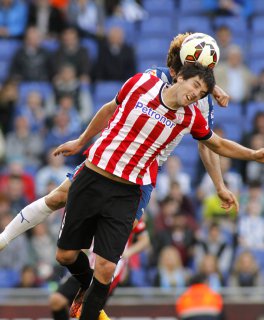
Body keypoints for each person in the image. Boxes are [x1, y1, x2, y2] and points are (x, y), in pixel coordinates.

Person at [54, 64, 264, 320]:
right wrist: (81, 141)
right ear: (179, 77)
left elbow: (216, 145)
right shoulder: (142, 83)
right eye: (195, 85)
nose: (195, 94)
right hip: (93, 177)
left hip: (128, 192)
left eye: (202, 93)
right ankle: (85, 291)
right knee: (65, 256)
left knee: (107, 268)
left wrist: (254, 154)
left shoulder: (190, 117)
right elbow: (109, 109)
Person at [0, 32, 239, 253]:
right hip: (113, 154)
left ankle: (86, 284)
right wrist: (82, 141)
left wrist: (219, 186)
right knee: (58, 197)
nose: (196, 88)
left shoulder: (203, 100)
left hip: (143, 171)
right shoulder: (154, 77)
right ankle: (4, 239)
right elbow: (110, 108)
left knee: (122, 231)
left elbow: (208, 143)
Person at [44, 217, 149, 320]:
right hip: (88, 265)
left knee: (91, 305)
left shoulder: (130, 212)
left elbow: (145, 240)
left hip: (111, 268)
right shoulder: (98, 206)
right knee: (56, 300)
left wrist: (127, 253)